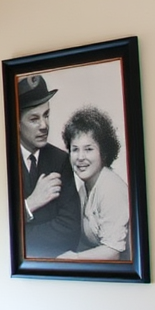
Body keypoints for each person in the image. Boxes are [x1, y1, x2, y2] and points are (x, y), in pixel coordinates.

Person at [17, 73, 81, 258]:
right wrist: (29, 205)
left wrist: (21, 236)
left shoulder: (60, 160)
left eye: (46, 115)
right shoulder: (0, 164)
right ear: (17, 123)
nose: (44, 125)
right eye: (34, 119)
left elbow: (69, 230)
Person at [57, 106, 129, 261]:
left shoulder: (111, 188)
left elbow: (113, 251)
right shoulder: (85, 187)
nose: (80, 157)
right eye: (75, 149)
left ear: (103, 153)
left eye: (88, 149)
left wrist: (73, 258)